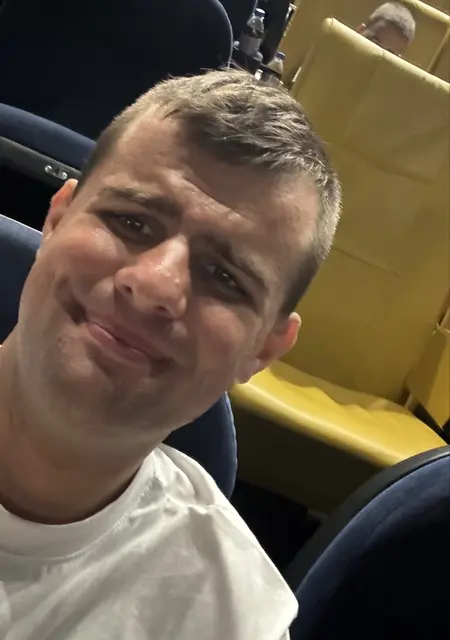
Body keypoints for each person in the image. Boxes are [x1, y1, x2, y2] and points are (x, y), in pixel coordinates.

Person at [0, 69, 341, 639]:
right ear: (56, 218)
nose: (156, 285)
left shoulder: (235, 620)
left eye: (224, 277)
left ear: (262, 350)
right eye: (131, 222)